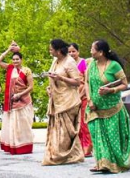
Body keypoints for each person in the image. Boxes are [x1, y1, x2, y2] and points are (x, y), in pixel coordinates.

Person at [86, 40, 130, 173]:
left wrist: (111, 90)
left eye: (92, 49)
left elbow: (124, 84)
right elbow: (86, 83)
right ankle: (101, 163)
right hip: (95, 108)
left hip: (112, 108)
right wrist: (90, 100)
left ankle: (114, 163)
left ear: (100, 52)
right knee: (97, 136)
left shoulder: (114, 66)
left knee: (112, 138)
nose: (90, 51)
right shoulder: (91, 65)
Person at [42, 38, 84, 166]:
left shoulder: (69, 62)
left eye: (51, 49)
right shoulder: (55, 61)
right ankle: (55, 154)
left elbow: (77, 82)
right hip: (57, 99)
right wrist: (50, 85)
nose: (50, 51)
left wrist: (60, 77)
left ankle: (69, 155)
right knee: (56, 129)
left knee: (65, 131)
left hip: (68, 101)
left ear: (59, 51)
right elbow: (54, 76)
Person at [0, 46, 34, 155]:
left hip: (23, 100)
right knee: (12, 124)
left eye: (17, 59)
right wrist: (8, 50)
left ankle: (24, 147)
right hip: (11, 101)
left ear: (21, 60)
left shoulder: (27, 70)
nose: (15, 61)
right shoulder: (10, 68)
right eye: (13, 59)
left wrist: (19, 95)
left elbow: (30, 87)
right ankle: (14, 146)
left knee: (23, 124)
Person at [69, 42, 93, 157]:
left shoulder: (83, 63)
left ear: (78, 52)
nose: (71, 53)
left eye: (73, 51)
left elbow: (87, 81)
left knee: (84, 123)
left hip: (82, 95)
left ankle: (87, 149)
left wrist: (82, 95)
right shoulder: (68, 64)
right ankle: (77, 148)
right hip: (71, 97)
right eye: (69, 52)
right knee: (74, 124)